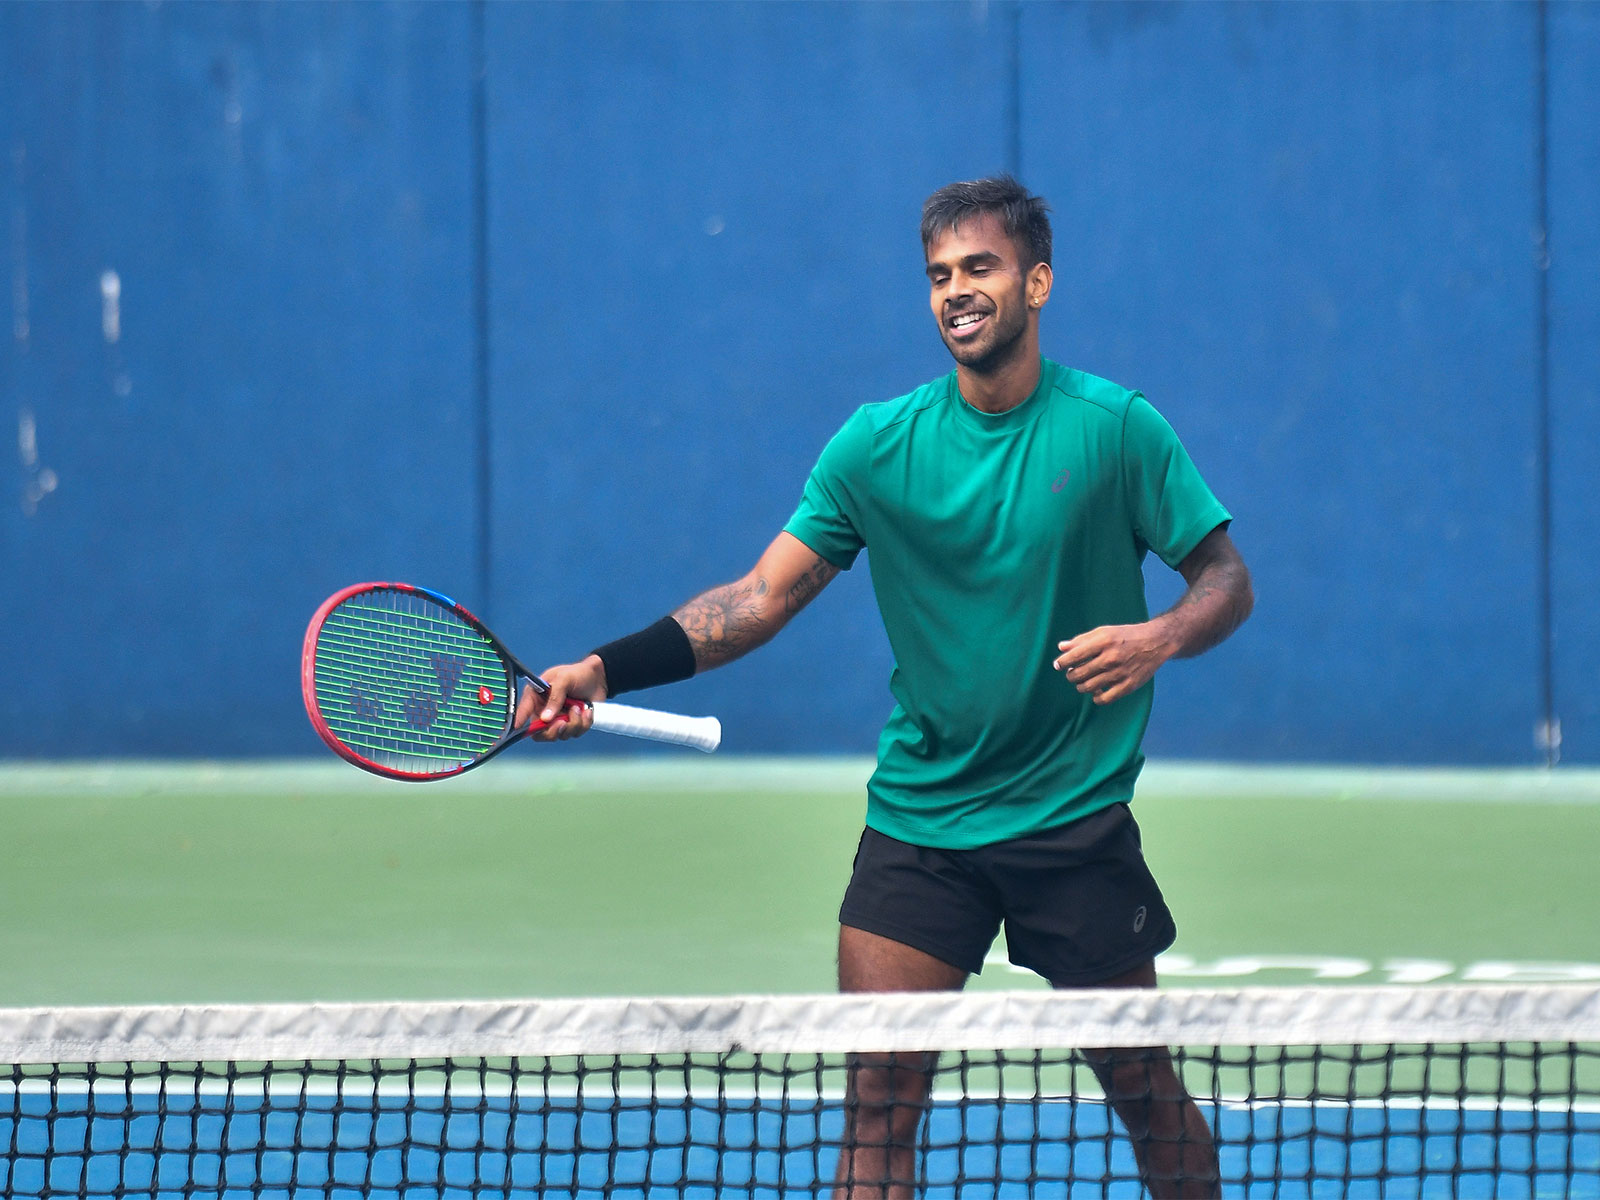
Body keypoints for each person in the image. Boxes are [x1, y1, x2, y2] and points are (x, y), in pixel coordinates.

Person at [517, 175, 1252, 1199]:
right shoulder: (876, 447)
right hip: (922, 825)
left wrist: (1158, 637)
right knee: (877, 1111)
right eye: (938, 275)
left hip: (1071, 819)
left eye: (980, 267)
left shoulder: (1115, 431)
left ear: (1036, 283)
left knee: (1143, 1091)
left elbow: (1223, 578)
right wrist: (603, 668)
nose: (955, 290)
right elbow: (756, 601)